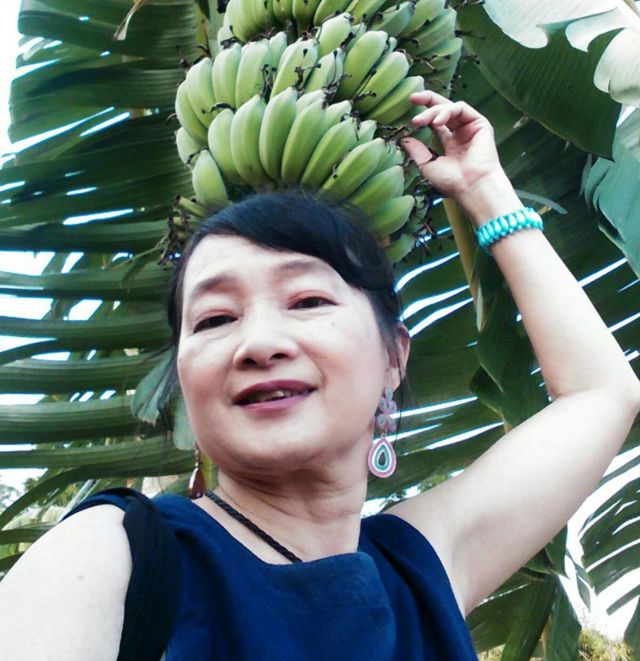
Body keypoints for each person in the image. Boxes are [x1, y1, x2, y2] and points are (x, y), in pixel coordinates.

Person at [1, 89, 639, 660]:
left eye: (307, 301)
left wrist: (484, 189)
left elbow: (603, 394)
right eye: (215, 318)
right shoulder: (110, 554)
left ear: (393, 358)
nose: (258, 343)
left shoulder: (420, 569)